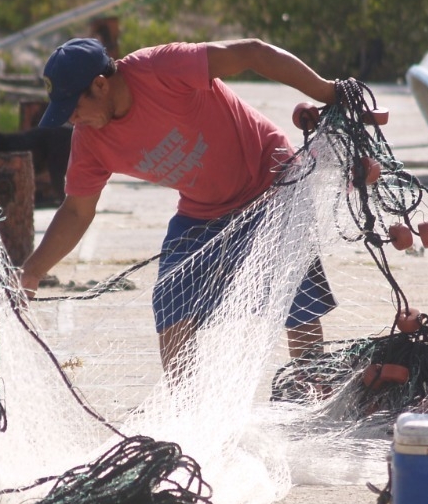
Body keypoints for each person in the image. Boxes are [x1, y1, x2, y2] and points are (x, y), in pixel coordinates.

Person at [19, 38, 338, 371]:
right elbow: (76, 211)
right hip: (203, 209)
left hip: (272, 182)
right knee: (171, 299)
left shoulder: (161, 69)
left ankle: (310, 380)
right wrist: (33, 270)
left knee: (293, 291)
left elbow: (252, 53)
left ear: (100, 85)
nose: (72, 120)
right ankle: (185, 410)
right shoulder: (90, 140)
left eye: (73, 108)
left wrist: (328, 92)